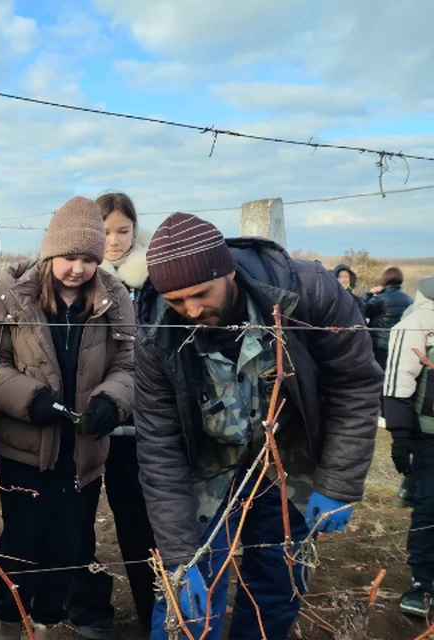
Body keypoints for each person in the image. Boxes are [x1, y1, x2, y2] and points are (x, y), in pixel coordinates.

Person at [134, 213, 382, 640]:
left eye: (200, 295)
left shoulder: (308, 292)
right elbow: (160, 442)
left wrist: (339, 483)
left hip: (289, 454)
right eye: (177, 301)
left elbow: (355, 383)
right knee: (188, 596)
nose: (191, 311)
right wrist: (178, 555)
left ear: (227, 271)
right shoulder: (156, 332)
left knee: (278, 581)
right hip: (208, 462)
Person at [0, 196, 135, 640]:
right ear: (50, 252)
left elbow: (130, 365)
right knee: (22, 544)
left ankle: (44, 624)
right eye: (69, 257)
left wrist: (111, 401)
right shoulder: (14, 293)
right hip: (25, 449)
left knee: (68, 544)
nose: (77, 269)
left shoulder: (113, 296)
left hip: (83, 450)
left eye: (88, 258)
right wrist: (30, 399)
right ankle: (8, 624)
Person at [66, 192, 155, 638]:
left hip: (138, 427)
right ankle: (89, 608)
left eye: (123, 230)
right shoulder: (73, 282)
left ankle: (152, 606)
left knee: (139, 520)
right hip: (85, 422)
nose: (114, 240)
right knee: (78, 519)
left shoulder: (154, 282)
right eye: (104, 231)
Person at [383, 275, 434, 617]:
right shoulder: (418, 322)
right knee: (431, 508)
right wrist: (401, 436)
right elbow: (400, 379)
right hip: (429, 434)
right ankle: (423, 582)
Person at [364, 266, 413, 369]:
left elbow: (361, 309)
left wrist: (368, 294)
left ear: (385, 279)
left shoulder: (380, 298)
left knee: (379, 372)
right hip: (400, 342)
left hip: (380, 343)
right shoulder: (409, 299)